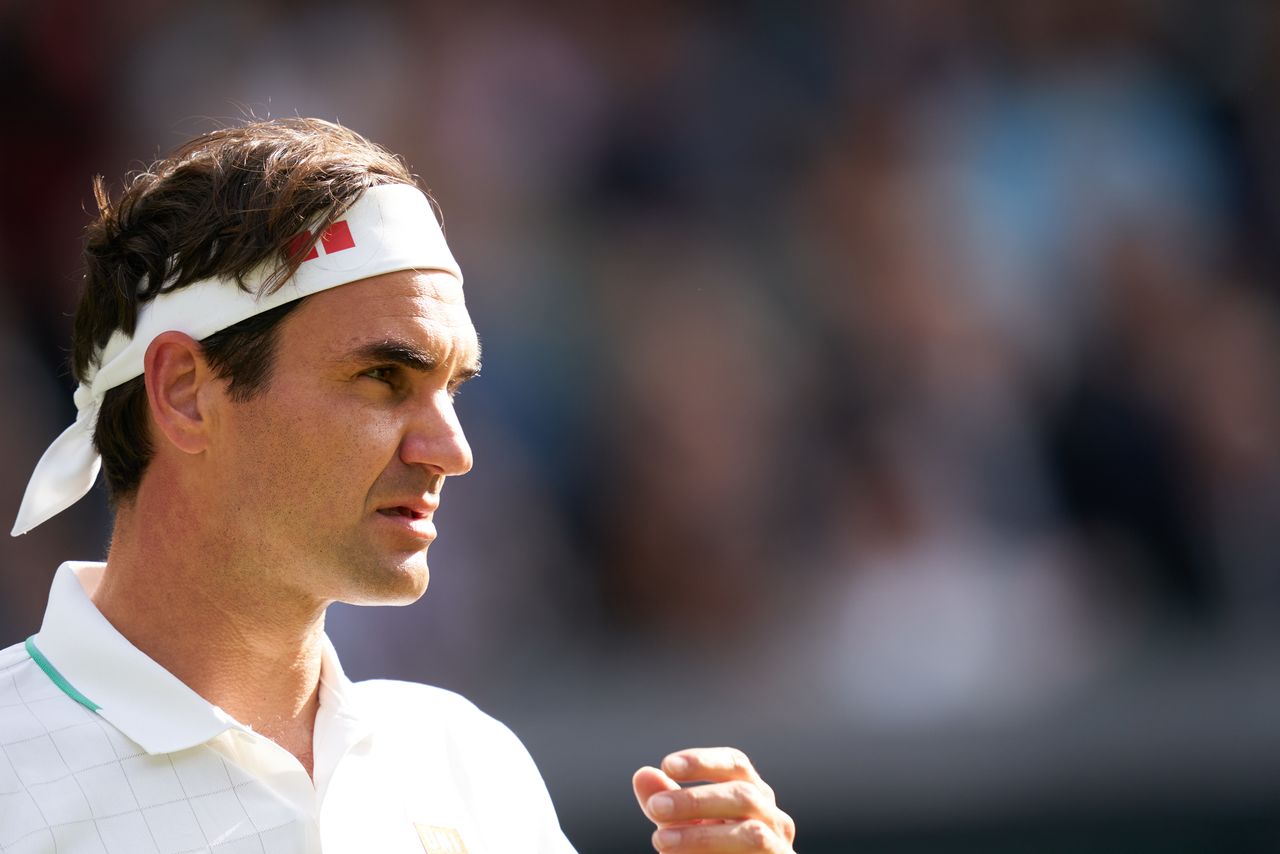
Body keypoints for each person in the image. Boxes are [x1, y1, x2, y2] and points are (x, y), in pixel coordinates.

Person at [1, 119, 796, 853]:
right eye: (383, 377)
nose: (452, 449)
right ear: (182, 390)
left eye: (453, 387)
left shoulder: (469, 765)